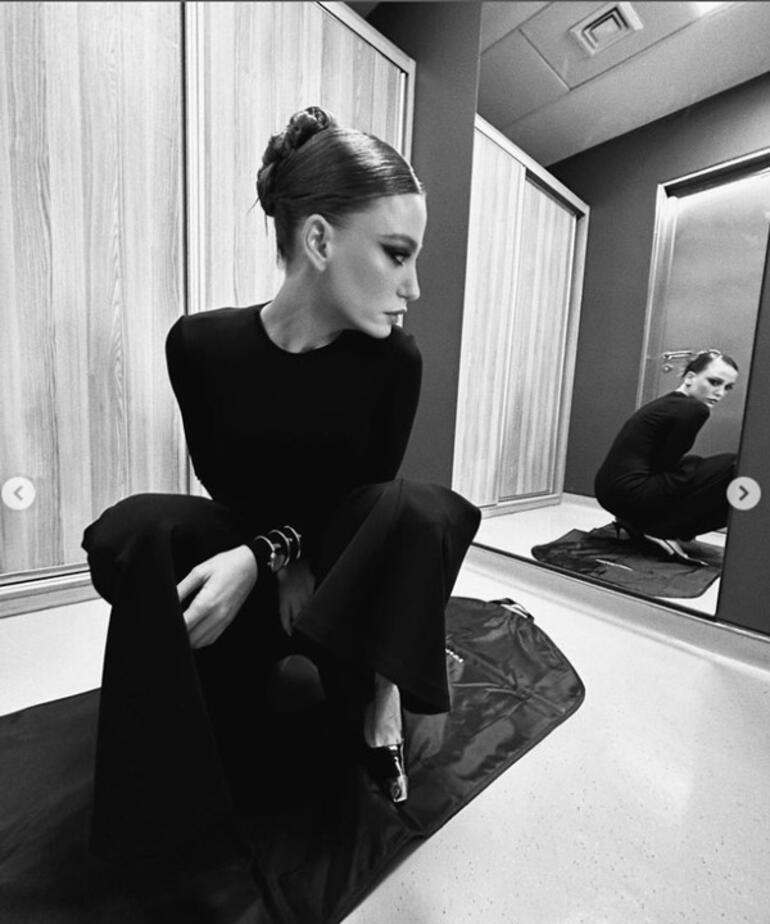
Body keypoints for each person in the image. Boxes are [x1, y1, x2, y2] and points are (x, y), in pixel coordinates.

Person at [81, 107, 480, 864]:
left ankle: (382, 692)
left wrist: (274, 554)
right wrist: (263, 558)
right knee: (131, 529)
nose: (414, 285)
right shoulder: (199, 345)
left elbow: (362, 505)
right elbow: (228, 486)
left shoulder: (395, 362)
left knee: (418, 510)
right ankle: (160, 774)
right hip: (259, 574)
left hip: (336, 586)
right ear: (320, 240)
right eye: (397, 254)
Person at [594, 349, 739, 558]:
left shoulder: (670, 402)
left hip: (609, 490)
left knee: (700, 468)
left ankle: (640, 522)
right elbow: (664, 464)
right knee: (737, 468)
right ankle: (661, 530)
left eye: (727, 387)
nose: (720, 393)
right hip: (630, 493)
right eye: (714, 382)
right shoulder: (695, 410)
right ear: (690, 378)